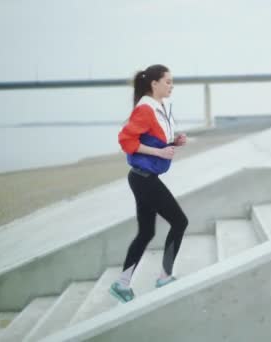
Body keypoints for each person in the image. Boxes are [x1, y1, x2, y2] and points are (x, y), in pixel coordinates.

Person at [110, 64, 188, 303]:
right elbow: (126, 140)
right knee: (179, 221)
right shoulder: (146, 108)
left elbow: (154, 139)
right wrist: (158, 152)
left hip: (143, 177)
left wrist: (174, 141)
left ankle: (122, 284)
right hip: (144, 179)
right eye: (167, 81)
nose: (171, 85)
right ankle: (165, 276)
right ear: (154, 84)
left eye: (172, 82)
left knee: (146, 232)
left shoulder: (160, 107)